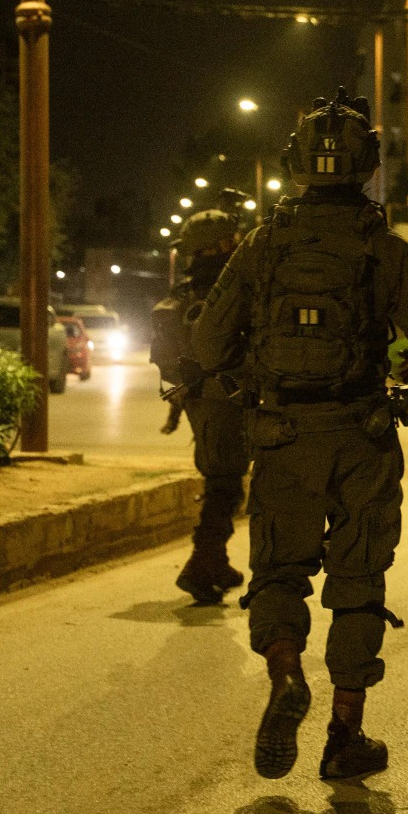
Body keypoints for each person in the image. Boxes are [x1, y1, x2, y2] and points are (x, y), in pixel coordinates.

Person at [192, 88, 408, 782]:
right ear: (367, 166)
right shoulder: (384, 248)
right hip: (360, 436)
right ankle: (345, 736)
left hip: (282, 434)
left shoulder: (263, 244)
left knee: (278, 571)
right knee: (358, 578)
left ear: (296, 164)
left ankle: (286, 671)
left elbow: (207, 342)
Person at [150, 207, 249, 604]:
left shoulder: (183, 293)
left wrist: (179, 407)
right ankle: (200, 564)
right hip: (227, 398)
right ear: (221, 245)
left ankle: (216, 562)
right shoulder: (228, 291)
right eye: (232, 240)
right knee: (226, 484)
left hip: (199, 400)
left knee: (221, 480)